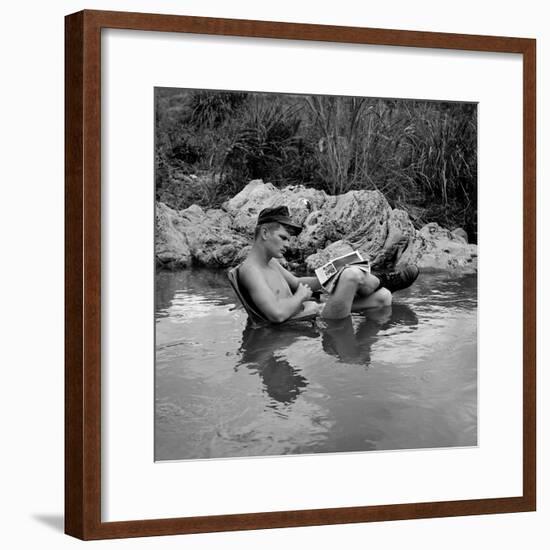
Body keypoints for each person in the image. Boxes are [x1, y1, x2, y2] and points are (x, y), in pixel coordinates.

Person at [238, 205, 419, 322]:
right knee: (351, 275)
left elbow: (297, 284)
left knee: (384, 297)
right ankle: (383, 280)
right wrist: (300, 296)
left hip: (313, 310)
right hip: (308, 320)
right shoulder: (251, 270)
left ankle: (382, 331)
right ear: (264, 233)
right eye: (283, 238)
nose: (288, 245)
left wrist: (330, 271)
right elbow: (276, 314)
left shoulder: (271, 264)